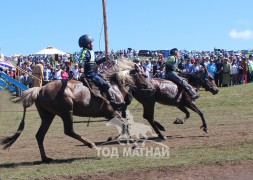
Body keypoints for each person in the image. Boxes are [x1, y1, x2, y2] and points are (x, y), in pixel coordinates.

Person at [78, 34, 124, 110]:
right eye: (91, 43)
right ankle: (113, 102)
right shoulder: (84, 52)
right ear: (87, 44)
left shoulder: (91, 52)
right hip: (90, 74)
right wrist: (81, 66)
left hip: (94, 73)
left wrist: (105, 58)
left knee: (107, 81)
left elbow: (96, 62)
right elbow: (81, 59)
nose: (93, 44)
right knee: (105, 84)